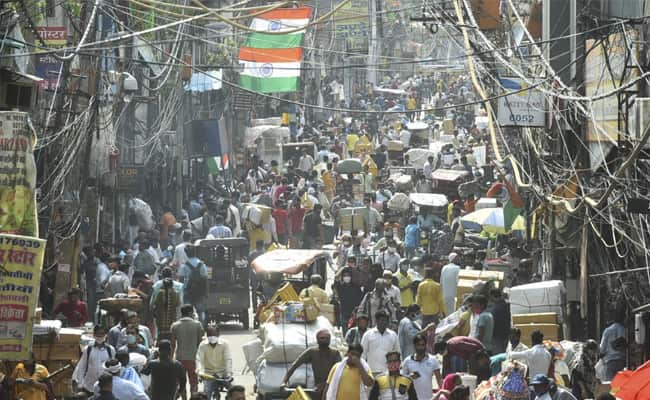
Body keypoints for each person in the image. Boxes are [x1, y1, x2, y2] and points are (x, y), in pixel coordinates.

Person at [282, 330, 342, 398]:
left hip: (333, 388)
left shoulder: (335, 353)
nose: (325, 340)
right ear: (317, 340)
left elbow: (340, 372)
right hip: (317, 388)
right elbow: (294, 366)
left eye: (327, 338)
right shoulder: (312, 352)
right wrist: (284, 382)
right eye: (322, 338)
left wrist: (325, 384)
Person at [171, 304, 205, 394]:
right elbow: (200, 343)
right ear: (190, 312)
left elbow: (173, 345)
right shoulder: (197, 325)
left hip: (180, 358)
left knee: (181, 383)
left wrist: (171, 359)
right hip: (193, 358)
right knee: (194, 382)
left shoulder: (175, 325)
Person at [73, 325, 115, 393]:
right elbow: (82, 367)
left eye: (102, 334)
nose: (100, 336)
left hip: (104, 388)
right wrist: (80, 384)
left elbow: (114, 367)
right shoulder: (88, 349)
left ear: (105, 335)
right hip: (89, 386)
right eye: (98, 334)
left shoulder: (110, 350)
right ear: (94, 335)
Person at [196, 324, 232, 399]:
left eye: (214, 334)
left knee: (233, 389)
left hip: (223, 373)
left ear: (218, 334)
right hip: (208, 374)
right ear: (206, 335)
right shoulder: (202, 345)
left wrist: (229, 373)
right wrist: (200, 372)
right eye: (209, 334)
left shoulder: (224, 344)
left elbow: (228, 359)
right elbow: (199, 359)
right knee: (206, 393)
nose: (212, 336)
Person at [402, 334, 443, 400]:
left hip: (429, 398)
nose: (421, 348)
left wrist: (442, 393)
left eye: (423, 345)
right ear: (414, 346)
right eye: (418, 345)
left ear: (426, 345)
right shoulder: (407, 361)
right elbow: (402, 381)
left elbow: (439, 379)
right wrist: (411, 377)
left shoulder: (433, 360)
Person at [361, 310, 401, 375]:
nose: (384, 322)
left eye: (386, 320)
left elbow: (398, 353)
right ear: (377, 321)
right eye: (382, 320)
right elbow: (363, 354)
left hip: (389, 372)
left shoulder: (393, 335)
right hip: (372, 372)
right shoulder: (368, 335)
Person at [178, 244, 208, 322]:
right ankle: (201, 326)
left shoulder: (184, 265)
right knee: (201, 311)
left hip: (188, 290)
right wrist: (206, 292)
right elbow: (205, 278)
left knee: (187, 311)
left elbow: (181, 279)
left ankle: (189, 325)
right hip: (200, 291)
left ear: (187, 254)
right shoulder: (202, 264)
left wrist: (181, 292)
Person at [599, 314, 627, 381]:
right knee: (619, 382)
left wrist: (601, 355)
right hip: (622, 361)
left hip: (610, 361)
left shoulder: (607, 330)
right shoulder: (624, 330)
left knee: (610, 384)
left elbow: (602, 348)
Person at [335, 268, 364, 333]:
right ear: (342, 277)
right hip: (344, 313)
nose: (346, 277)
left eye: (348, 275)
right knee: (345, 333)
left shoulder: (356, 287)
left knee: (354, 333)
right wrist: (343, 268)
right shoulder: (340, 287)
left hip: (354, 314)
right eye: (345, 276)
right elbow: (336, 277)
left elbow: (360, 299)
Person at [488, 289, 511, 354]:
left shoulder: (494, 309)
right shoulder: (507, 305)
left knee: (498, 353)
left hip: (497, 335)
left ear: (492, 296)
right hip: (507, 333)